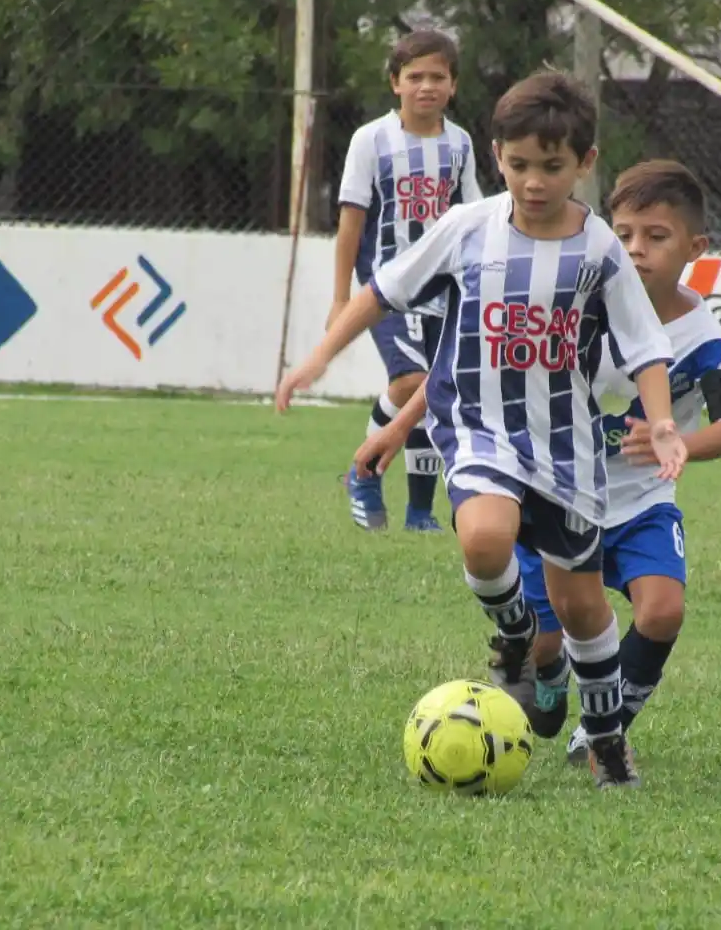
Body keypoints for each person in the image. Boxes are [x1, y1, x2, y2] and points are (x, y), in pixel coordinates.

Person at [278, 70, 688, 789]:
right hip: (481, 432)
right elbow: (382, 292)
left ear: (585, 164)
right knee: (483, 536)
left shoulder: (598, 251)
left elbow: (646, 345)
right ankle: (514, 634)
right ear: (497, 155)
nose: (534, 181)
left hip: (566, 451)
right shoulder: (468, 229)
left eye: (552, 167)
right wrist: (316, 358)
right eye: (520, 164)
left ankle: (606, 737)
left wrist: (662, 424)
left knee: (585, 609)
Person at [354, 160, 721, 766]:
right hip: (553, 489)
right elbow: (467, 369)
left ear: (696, 247)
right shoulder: (576, 291)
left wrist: (677, 444)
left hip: (641, 503)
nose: (636, 250)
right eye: (624, 234)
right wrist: (399, 427)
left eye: (656, 236)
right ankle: (546, 675)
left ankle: (602, 735)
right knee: (547, 659)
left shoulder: (698, 337)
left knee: (664, 610)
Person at [331, 28, 484, 533]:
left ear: (453, 85)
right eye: (414, 76)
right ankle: (365, 470)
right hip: (389, 288)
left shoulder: (460, 144)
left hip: (444, 290)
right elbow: (351, 222)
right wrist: (341, 300)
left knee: (437, 393)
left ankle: (421, 511)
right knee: (410, 381)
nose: (426, 86)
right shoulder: (371, 139)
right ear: (395, 83)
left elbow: (471, 217)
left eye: (437, 76)